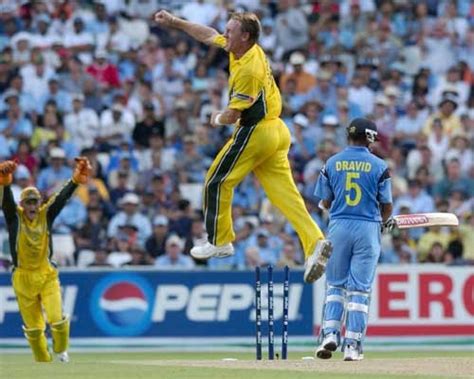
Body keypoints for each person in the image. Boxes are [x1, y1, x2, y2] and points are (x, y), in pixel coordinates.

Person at [154, 10, 331, 283]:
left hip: (255, 132)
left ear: (245, 36)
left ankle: (220, 241)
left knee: (216, 181)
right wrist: (176, 22)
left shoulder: (249, 68)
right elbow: (209, 35)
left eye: (230, 31)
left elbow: (232, 116)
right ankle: (315, 242)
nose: (225, 34)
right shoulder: (245, 48)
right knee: (286, 197)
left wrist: (213, 118)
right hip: (277, 131)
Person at [314, 118, 393, 361]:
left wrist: (325, 205)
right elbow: (386, 206)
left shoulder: (332, 162)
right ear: (369, 137)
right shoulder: (379, 166)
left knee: (335, 285)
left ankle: (329, 334)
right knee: (359, 290)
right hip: (367, 228)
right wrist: (384, 221)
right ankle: (352, 344)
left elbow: (325, 202)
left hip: (338, 226)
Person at [0, 157, 92, 363]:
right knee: (33, 330)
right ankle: (43, 363)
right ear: (22, 205)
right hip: (22, 278)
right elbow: (6, 202)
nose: (33, 206)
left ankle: (61, 352)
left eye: (35, 201)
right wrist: (5, 180)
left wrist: (76, 179)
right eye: (28, 202)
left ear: (40, 203)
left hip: (46, 274)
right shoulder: (14, 218)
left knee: (56, 319)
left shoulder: (45, 215)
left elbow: (61, 198)